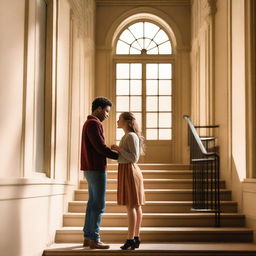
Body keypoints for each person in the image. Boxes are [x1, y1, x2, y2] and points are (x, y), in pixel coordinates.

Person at [80, 97, 119, 249]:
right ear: (98, 109)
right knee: (98, 205)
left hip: (90, 169)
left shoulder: (89, 123)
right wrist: (119, 156)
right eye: (107, 111)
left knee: (92, 204)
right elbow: (100, 147)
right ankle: (94, 239)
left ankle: (88, 237)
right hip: (95, 169)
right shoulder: (94, 124)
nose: (108, 115)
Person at [111, 112, 145, 250]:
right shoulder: (128, 136)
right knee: (135, 205)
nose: (117, 121)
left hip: (130, 171)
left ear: (126, 121)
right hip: (128, 170)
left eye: (119, 119)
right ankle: (136, 238)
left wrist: (118, 149)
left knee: (131, 206)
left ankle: (130, 238)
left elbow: (134, 157)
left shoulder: (130, 136)